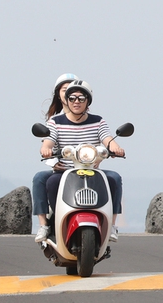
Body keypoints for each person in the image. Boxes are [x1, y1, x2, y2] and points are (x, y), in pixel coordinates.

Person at [41, 80, 126, 242]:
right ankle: (54, 222)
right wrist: (46, 149)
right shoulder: (56, 122)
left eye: (81, 98)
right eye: (72, 98)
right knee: (51, 182)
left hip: (92, 170)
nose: (76, 102)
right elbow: (48, 142)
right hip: (65, 171)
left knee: (114, 178)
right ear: (66, 100)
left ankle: (112, 224)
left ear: (88, 101)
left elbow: (107, 139)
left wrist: (116, 148)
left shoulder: (98, 121)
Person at [33, 73, 78, 243]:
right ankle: (45, 223)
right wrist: (52, 160)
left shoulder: (92, 120)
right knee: (41, 179)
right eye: (65, 90)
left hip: (85, 167)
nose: (71, 96)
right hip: (61, 168)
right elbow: (47, 144)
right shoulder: (54, 120)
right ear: (58, 94)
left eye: (74, 92)